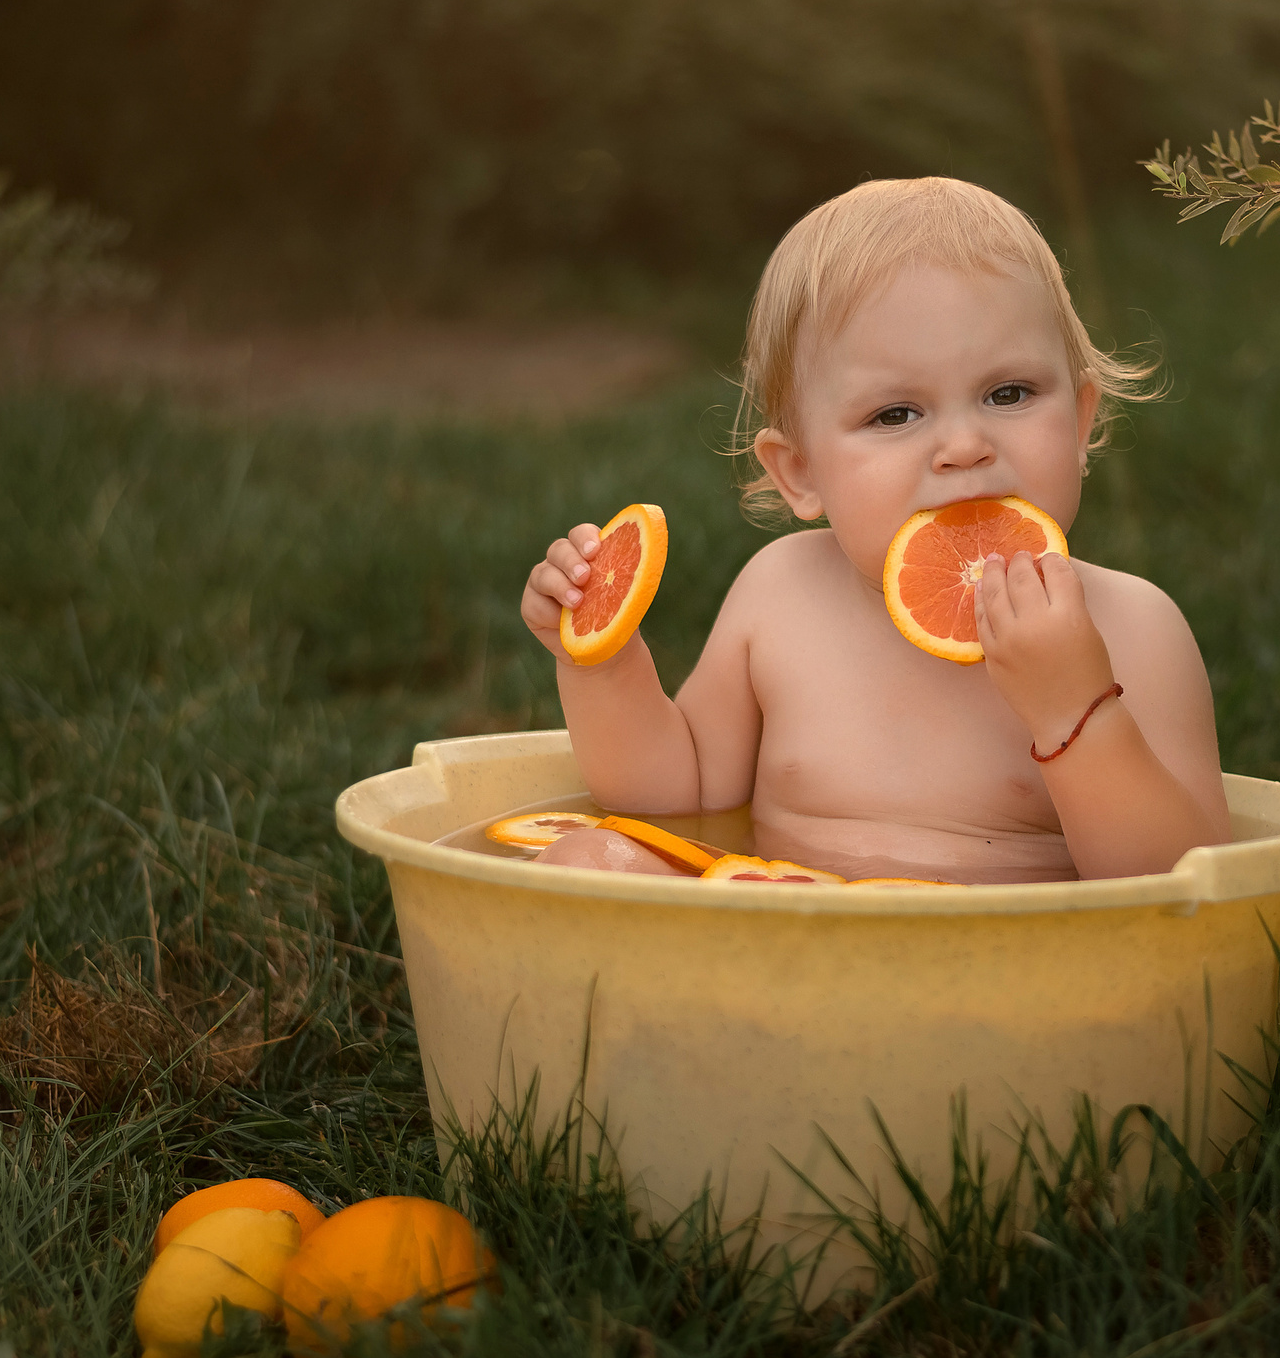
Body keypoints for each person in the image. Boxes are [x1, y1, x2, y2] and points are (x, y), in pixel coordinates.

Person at [518, 177, 1229, 883]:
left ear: (1079, 422)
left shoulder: (1134, 628)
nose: (963, 444)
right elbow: (680, 796)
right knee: (588, 859)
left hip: (1000, 975)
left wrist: (1078, 710)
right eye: (895, 414)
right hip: (784, 951)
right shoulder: (780, 595)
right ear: (800, 472)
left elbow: (1187, 883)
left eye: (1008, 393)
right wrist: (602, 666)